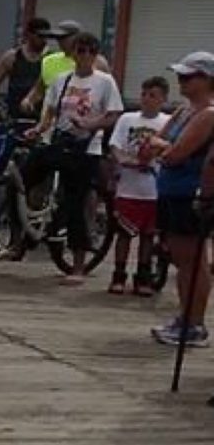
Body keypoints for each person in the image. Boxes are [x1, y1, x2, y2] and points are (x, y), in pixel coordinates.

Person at [25, 32, 123, 285]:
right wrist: (39, 129)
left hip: (86, 147)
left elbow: (113, 114)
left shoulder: (104, 81)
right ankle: (21, 234)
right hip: (59, 141)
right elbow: (50, 111)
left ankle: (78, 264)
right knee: (25, 174)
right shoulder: (62, 79)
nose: (85, 56)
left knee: (76, 201)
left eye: (91, 51)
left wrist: (92, 124)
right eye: (80, 50)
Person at [141, 52, 214, 348]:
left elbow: (175, 153)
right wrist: (159, 146)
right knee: (181, 261)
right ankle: (185, 317)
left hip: (190, 195)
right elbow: (153, 144)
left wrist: (160, 147)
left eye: (188, 77)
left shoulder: (208, 114)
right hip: (170, 191)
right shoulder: (184, 110)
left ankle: (194, 324)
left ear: (207, 80)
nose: (181, 81)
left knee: (194, 262)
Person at [107, 77, 171, 296]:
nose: (146, 99)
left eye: (152, 95)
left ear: (163, 99)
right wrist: (124, 159)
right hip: (128, 187)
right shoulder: (127, 119)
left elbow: (171, 150)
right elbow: (115, 145)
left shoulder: (167, 123)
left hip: (153, 189)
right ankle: (118, 274)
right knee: (124, 233)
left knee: (148, 235)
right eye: (144, 94)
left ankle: (142, 276)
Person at [21, 20, 110, 113]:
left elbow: (108, 95)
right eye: (58, 38)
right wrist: (29, 100)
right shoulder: (49, 61)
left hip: (86, 119)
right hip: (52, 122)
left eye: (63, 38)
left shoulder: (95, 61)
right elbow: (40, 89)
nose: (60, 42)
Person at [0, 17, 50, 119]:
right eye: (40, 36)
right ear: (29, 34)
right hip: (13, 117)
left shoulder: (50, 59)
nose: (44, 40)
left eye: (47, 37)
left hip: (40, 118)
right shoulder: (12, 57)